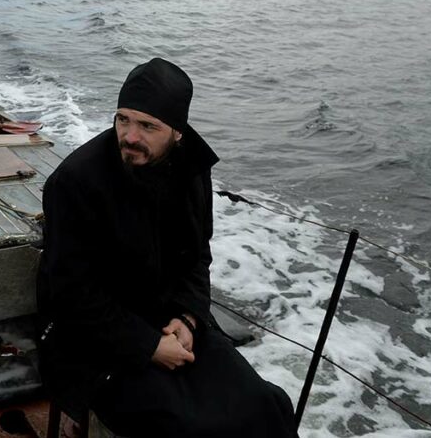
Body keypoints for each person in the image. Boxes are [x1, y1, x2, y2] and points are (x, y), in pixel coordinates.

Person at [37, 58, 298, 437]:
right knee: (187, 427)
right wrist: (149, 346)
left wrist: (189, 317)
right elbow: (71, 295)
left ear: (177, 132)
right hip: (91, 341)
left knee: (269, 406)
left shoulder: (192, 169)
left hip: (170, 320)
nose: (129, 135)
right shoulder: (76, 183)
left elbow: (197, 257)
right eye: (123, 119)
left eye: (147, 126)